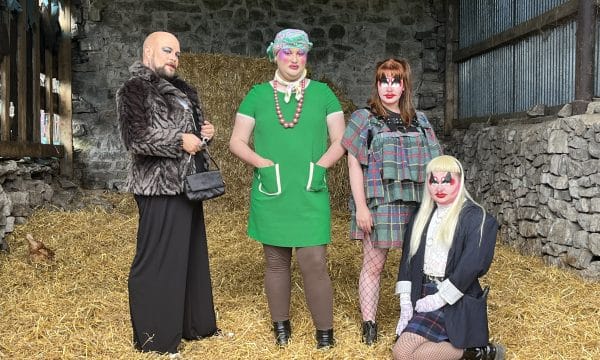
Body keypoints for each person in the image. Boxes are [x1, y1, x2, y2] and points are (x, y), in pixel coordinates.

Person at [229, 28, 345, 349]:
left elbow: (341, 141)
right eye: (287, 52)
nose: (294, 59)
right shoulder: (257, 95)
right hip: (273, 192)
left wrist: (320, 167)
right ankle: (281, 328)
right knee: (276, 263)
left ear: (306, 56)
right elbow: (236, 142)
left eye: (300, 52)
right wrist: (263, 165)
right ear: (275, 55)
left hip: (310, 191)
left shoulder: (323, 94)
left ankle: (325, 333)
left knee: (314, 262)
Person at [116, 31, 219, 356]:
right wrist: (179, 140)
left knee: (190, 259)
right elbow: (135, 139)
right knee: (157, 261)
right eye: (167, 50)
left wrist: (204, 134)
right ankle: (155, 340)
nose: (174, 57)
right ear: (148, 51)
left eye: (177, 52)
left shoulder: (184, 90)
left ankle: (196, 328)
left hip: (187, 185)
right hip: (157, 186)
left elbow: (192, 138)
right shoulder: (134, 88)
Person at [341, 58, 442, 345]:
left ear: (404, 85)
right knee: (373, 265)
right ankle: (369, 325)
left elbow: (438, 165)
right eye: (383, 80)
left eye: (395, 81)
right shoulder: (364, 118)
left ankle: (416, 322)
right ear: (376, 84)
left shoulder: (421, 121)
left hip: (419, 205)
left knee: (420, 267)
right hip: (380, 204)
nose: (389, 87)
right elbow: (353, 164)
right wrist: (361, 206)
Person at [392, 155, 505, 360]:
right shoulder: (420, 215)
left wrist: (440, 298)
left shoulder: (478, 219)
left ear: (460, 181)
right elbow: (407, 261)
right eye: (433, 180)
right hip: (423, 295)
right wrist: (406, 303)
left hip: (456, 298)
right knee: (401, 352)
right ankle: (471, 352)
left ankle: (476, 352)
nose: (439, 187)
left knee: (414, 356)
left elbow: (471, 267)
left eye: (447, 180)